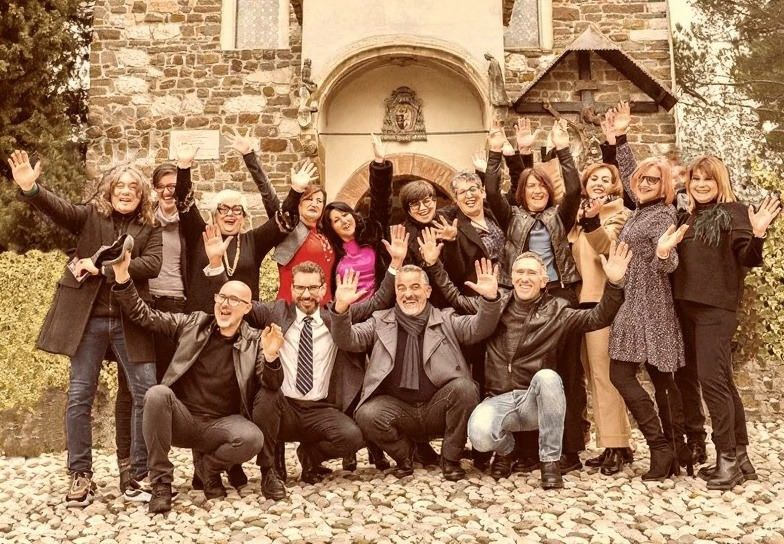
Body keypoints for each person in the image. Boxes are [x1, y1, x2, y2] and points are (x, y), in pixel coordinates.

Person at [203, 225, 410, 499]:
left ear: (324, 289)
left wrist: (395, 263)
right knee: (266, 396)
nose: (306, 294)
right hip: (282, 405)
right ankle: (269, 472)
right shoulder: (276, 311)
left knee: (352, 436)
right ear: (292, 288)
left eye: (313, 288)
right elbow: (235, 304)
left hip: (319, 407)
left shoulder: (335, 315)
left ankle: (310, 455)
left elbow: (379, 302)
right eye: (300, 287)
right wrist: (216, 263)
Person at [9, 150, 161, 507]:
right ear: (108, 192)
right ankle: (81, 475)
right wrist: (32, 189)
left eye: (133, 188)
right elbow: (58, 208)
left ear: (141, 196)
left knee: (146, 393)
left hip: (131, 319)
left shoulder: (150, 228)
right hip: (89, 319)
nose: (126, 191)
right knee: (79, 396)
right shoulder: (90, 217)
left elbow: (152, 264)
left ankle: (138, 475)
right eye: (119, 186)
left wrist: (105, 270)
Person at [418, 237, 631, 489]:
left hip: (536, 401)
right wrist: (433, 265)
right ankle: (506, 450)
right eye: (519, 272)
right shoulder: (495, 304)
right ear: (511, 277)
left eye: (532, 273)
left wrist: (615, 283)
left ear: (544, 281)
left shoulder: (558, 311)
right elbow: (455, 299)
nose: (525, 278)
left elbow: (598, 317)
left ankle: (550, 462)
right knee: (479, 436)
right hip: (500, 401)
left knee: (549, 378)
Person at [109, 248, 286, 513]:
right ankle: (161, 484)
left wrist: (271, 357)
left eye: (234, 300)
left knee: (252, 438)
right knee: (156, 394)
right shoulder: (193, 323)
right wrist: (123, 278)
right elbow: (145, 316)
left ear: (247, 308)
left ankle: (210, 467)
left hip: (224, 424)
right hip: (185, 419)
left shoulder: (254, 340)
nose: (225, 304)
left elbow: (270, 385)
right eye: (221, 297)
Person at [329, 259, 506, 482]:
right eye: (401, 288)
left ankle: (450, 458)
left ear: (428, 291)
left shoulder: (446, 318)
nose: (408, 294)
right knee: (367, 414)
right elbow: (348, 340)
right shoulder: (379, 321)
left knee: (465, 388)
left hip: (437, 407)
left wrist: (490, 299)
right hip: (399, 410)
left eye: (415, 287)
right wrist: (341, 309)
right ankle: (406, 457)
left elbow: (477, 328)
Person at [484, 118, 587, 474]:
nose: (536, 190)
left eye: (541, 185)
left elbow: (574, 190)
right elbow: (490, 192)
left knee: (568, 372)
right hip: (520, 298)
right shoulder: (510, 217)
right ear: (522, 193)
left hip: (560, 295)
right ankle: (524, 449)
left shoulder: (561, 215)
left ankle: (568, 449)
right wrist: (495, 153)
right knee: (526, 372)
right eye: (529, 186)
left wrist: (562, 150)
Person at [672, 156, 780, 490]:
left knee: (712, 382)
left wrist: (758, 233)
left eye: (708, 179)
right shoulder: (688, 216)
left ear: (721, 182)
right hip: (686, 308)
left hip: (715, 309)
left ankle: (727, 461)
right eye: (695, 179)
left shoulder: (734, 212)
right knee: (722, 381)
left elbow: (747, 257)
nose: (701, 185)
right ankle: (742, 458)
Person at [604, 102, 692, 481]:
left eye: (653, 180)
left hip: (653, 305)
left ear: (665, 186)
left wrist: (661, 254)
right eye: (641, 179)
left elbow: (667, 263)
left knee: (662, 381)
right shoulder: (640, 209)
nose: (643, 182)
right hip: (631, 302)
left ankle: (668, 450)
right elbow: (629, 176)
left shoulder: (663, 215)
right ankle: (667, 447)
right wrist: (620, 139)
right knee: (626, 376)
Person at [175, 140, 299, 313]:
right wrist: (184, 166)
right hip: (201, 322)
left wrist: (296, 190)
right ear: (214, 215)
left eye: (237, 210)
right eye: (223, 209)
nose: (230, 214)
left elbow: (285, 220)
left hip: (243, 323)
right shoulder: (200, 235)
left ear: (244, 217)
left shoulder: (254, 241)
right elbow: (183, 203)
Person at [567, 162, 635, 475]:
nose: (598, 183)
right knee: (591, 376)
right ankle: (609, 441)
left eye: (605, 180)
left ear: (614, 187)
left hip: (603, 303)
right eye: (593, 178)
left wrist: (593, 220)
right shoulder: (578, 217)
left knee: (606, 377)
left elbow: (609, 251)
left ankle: (618, 445)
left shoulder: (618, 214)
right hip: (581, 303)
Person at [322, 134, 393, 301]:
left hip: (376, 312)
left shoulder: (372, 232)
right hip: (347, 315)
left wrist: (379, 164)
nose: (344, 221)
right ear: (331, 227)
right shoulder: (332, 249)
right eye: (336, 220)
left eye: (345, 214)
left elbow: (381, 201)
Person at [274, 162, 337, 303]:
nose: (314, 203)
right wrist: (296, 189)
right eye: (309, 199)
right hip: (292, 309)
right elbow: (282, 208)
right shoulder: (289, 230)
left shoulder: (324, 234)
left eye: (319, 201)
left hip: (323, 310)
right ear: (299, 203)